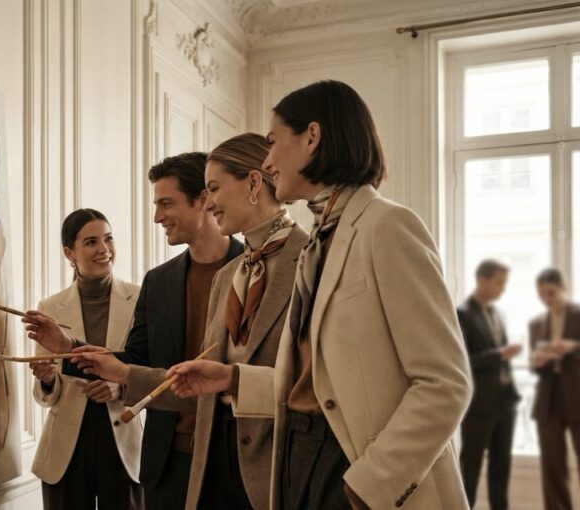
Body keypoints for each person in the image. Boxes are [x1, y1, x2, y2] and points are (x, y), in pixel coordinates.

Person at [167, 80, 472, 510]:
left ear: (311, 137)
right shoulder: (319, 242)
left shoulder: (387, 226)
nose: (268, 162)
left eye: (273, 141)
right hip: (298, 463)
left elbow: (445, 384)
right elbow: (318, 385)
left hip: (352, 469)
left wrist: (370, 485)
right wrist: (232, 379)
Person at [72, 133, 308, 509]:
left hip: (277, 471)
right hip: (201, 468)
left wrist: (233, 379)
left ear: (253, 183)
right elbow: (199, 383)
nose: (209, 202)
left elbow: (319, 385)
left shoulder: (312, 260)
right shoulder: (229, 276)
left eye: (213, 189)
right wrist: (121, 372)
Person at [23, 152, 243, 510]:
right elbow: (135, 360)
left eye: (166, 203)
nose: (156, 217)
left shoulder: (253, 267)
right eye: (156, 205)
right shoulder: (160, 282)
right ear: (69, 253)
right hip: (167, 462)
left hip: (234, 457)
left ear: (203, 199)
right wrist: (67, 345)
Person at [29, 208, 143, 510]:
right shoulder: (49, 307)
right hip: (65, 451)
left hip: (123, 444)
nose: (104, 249)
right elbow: (44, 397)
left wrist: (122, 388)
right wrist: (47, 380)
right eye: (91, 242)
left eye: (108, 238)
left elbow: (152, 370)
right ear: (69, 253)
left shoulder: (141, 298)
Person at [457, 259, 521, 510]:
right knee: (470, 470)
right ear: (482, 280)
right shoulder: (462, 314)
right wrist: (500, 355)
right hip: (479, 406)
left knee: (501, 469)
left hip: (505, 403)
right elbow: (463, 359)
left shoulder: (497, 314)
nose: (503, 288)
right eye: (499, 283)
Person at [529, 268, 580, 510]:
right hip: (548, 401)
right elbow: (536, 365)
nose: (546, 298)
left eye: (551, 292)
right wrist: (537, 362)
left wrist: (573, 347)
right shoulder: (536, 323)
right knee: (552, 468)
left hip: (578, 396)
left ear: (563, 287)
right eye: (541, 293)